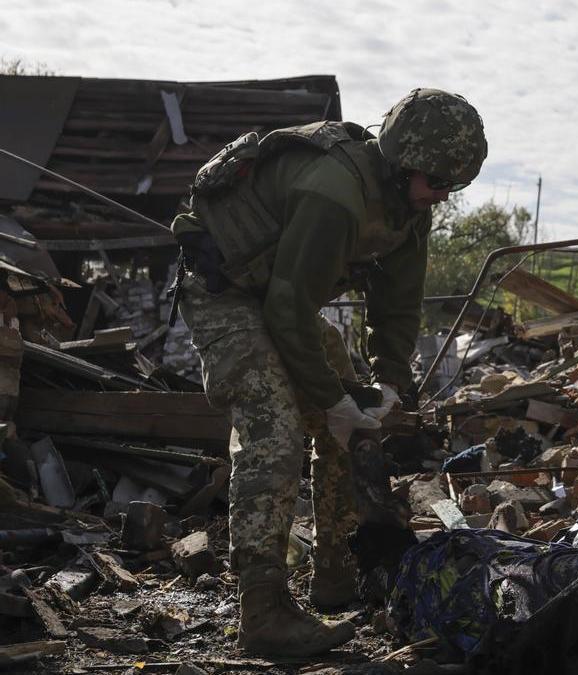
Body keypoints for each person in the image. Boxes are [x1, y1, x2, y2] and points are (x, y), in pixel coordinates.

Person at [170, 88, 486, 656]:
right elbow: (288, 315)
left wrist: (388, 386)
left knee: (356, 418)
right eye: (437, 182)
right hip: (225, 295)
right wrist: (330, 401)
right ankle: (263, 611)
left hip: (276, 296)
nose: (441, 196)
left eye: (453, 187)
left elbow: (397, 308)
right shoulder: (335, 193)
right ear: (403, 160)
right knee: (277, 432)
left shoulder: (408, 209)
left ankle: (338, 570)